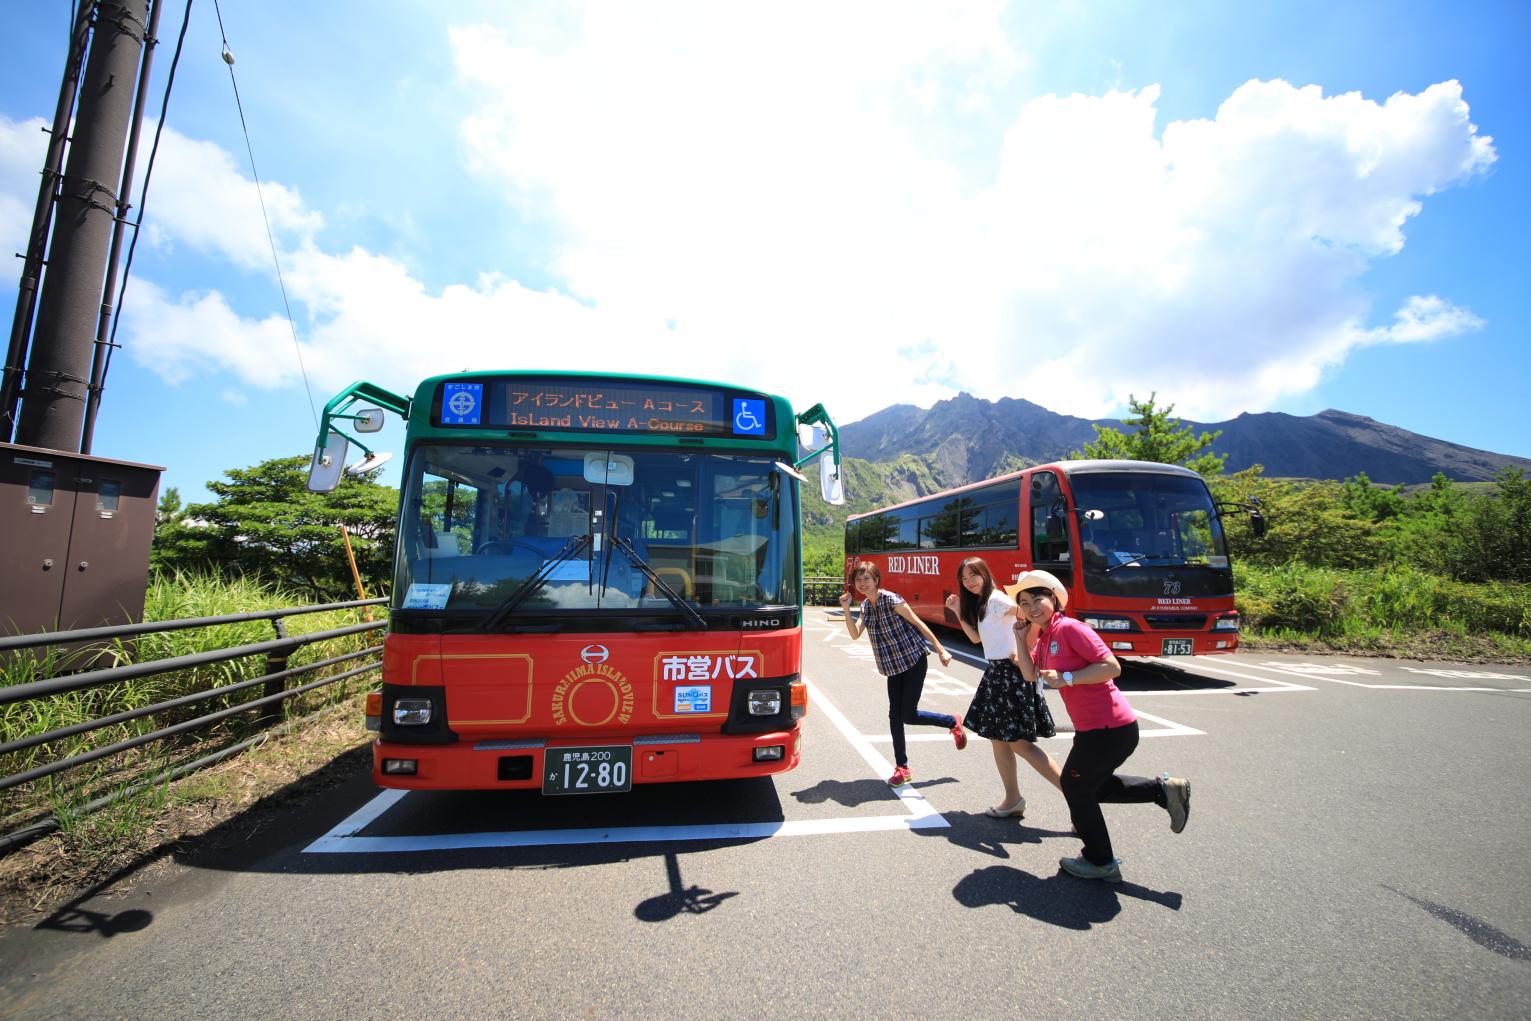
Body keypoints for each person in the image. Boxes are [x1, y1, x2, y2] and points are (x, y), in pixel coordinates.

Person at [1011, 569, 1191, 883]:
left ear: (1054, 597)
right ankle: (1162, 790)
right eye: (1024, 603)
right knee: (1089, 786)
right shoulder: (1047, 634)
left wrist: (1068, 678)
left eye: (1037, 598)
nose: (1031, 607)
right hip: (1096, 729)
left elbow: (1111, 667)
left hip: (1110, 727)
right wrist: (1018, 637)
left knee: (1076, 787)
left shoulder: (1070, 628)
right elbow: (1029, 674)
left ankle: (1100, 860)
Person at [943, 557, 1062, 819]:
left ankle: (1077, 799)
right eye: (964, 578)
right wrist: (958, 610)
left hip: (1011, 674)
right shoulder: (984, 603)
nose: (970, 582)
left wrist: (1028, 652)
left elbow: (1029, 615)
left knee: (1020, 744)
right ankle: (1012, 799)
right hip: (997, 673)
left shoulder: (997, 600)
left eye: (974, 575)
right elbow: (975, 637)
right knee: (999, 741)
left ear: (985, 573)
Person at [839, 561, 964, 786]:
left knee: (908, 715)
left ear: (876, 580)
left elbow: (918, 623)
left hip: (913, 660)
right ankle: (902, 767)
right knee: (895, 717)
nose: (862, 583)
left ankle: (951, 721)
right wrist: (847, 609)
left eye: (866, 578)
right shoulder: (866, 607)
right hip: (892, 667)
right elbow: (855, 634)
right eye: (858, 580)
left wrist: (941, 649)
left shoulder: (891, 600)